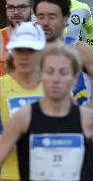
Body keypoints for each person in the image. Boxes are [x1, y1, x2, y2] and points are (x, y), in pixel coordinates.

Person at [0, 44, 93, 181]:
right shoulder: (23, 117)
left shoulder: (90, 118)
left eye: (63, 72)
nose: (56, 79)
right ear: (41, 75)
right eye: (49, 71)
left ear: (74, 78)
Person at [34, 0, 93, 109]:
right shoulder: (28, 51)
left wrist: (79, 117)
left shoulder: (80, 50)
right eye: (40, 16)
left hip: (74, 126)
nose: (45, 22)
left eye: (52, 16)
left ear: (65, 19)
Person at [0, 22, 46, 180]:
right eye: (20, 49)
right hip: (10, 175)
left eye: (31, 50)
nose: (24, 56)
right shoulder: (1, 86)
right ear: (12, 51)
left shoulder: (54, 86)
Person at [0, 0, 32, 76]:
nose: (16, 12)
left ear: (31, 8)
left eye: (22, 7)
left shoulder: (45, 38)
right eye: (11, 7)